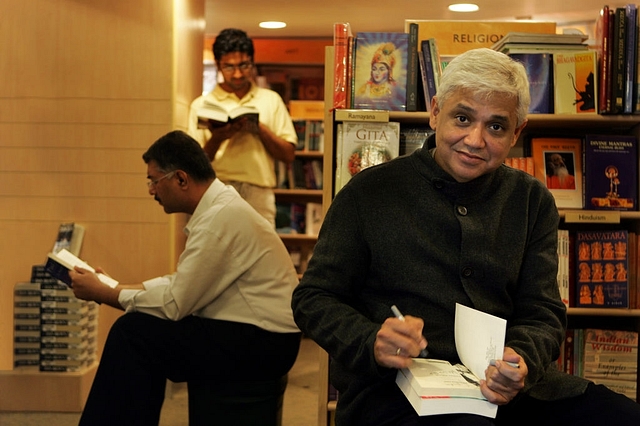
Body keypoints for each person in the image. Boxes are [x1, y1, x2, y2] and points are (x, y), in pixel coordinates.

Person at [291, 48, 640, 426]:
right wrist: (369, 340)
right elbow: (313, 298)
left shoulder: (531, 199)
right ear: (436, 112)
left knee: (623, 415)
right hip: (396, 390)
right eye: (462, 118)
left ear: (516, 132)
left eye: (496, 127)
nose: (475, 140)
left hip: (507, 390)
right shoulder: (369, 192)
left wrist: (520, 360)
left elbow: (543, 312)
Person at [69, 130, 301, 426]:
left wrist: (104, 294)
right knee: (139, 331)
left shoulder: (219, 220)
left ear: (180, 179)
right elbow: (185, 283)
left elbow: (176, 303)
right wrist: (115, 286)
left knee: (133, 333)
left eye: (154, 180)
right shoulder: (220, 208)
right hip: (256, 335)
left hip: (262, 344)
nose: (151, 190)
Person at [188, 28, 298, 227]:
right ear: (218, 65)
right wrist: (218, 137)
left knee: (259, 256)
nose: (237, 74)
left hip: (259, 193)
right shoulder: (202, 105)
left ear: (252, 62)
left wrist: (259, 129)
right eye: (229, 67)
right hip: (216, 189)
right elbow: (195, 165)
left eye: (244, 65)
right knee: (217, 255)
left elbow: (288, 154)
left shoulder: (271, 100)